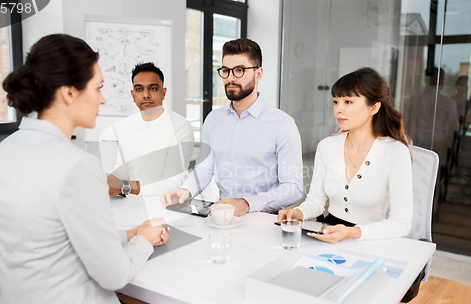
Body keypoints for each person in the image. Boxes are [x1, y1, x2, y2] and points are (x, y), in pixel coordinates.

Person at [0, 34, 182, 304]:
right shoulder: (77, 165)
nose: (103, 98)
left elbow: (56, 235)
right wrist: (145, 239)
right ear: (69, 93)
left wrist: (132, 232)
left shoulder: (8, 148)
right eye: (98, 88)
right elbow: (115, 275)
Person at [162, 38, 303, 216]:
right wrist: (185, 190)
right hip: (222, 216)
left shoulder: (283, 124)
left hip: (264, 219)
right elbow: (204, 169)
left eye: (239, 70)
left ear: (258, 74)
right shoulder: (213, 120)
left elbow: (293, 188)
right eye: (226, 71)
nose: (230, 78)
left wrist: (246, 204)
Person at [278, 67, 413, 244]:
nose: (338, 109)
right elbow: (316, 202)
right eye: (336, 102)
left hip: (370, 240)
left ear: (374, 107)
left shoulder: (395, 151)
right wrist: (298, 213)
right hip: (328, 235)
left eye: (348, 102)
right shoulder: (327, 146)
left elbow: (401, 223)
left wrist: (351, 233)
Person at [105, 62, 194, 196]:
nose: (146, 95)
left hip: (163, 207)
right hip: (127, 204)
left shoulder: (180, 126)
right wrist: (109, 181)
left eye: (152, 88)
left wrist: (126, 186)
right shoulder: (125, 126)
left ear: (163, 93)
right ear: (133, 94)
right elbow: (122, 170)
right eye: (139, 89)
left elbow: (174, 181)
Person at [404, 67, 458, 165]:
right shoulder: (448, 103)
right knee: (433, 177)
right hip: (436, 148)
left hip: (415, 145)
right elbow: (453, 130)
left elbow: (404, 124)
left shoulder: (412, 100)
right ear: (442, 81)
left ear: (425, 80)